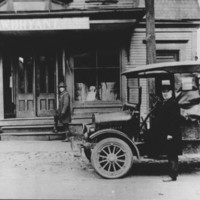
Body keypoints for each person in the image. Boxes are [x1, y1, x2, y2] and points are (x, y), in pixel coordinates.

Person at [150, 80, 182, 181]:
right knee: (170, 153)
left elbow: (174, 121)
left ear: (171, 93)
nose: (165, 94)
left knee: (172, 154)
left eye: (167, 92)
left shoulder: (173, 104)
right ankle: (172, 174)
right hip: (168, 133)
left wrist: (170, 133)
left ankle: (173, 176)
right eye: (163, 92)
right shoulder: (165, 103)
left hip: (172, 134)